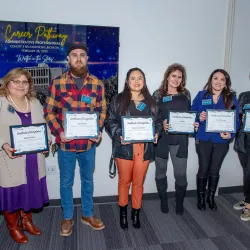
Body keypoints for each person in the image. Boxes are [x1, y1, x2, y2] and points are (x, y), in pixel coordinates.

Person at [44, 43, 106, 236]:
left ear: (87, 59)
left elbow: (102, 110)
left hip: (88, 144)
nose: (78, 58)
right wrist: (58, 131)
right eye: (74, 55)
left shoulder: (97, 84)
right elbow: (49, 111)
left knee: (88, 181)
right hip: (66, 144)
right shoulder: (57, 83)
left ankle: (87, 214)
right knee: (66, 182)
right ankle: (68, 217)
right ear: (68, 59)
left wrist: (99, 129)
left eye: (82, 55)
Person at [105, 68, 161, 229]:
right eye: (133, 78)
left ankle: (135, 212)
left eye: (140, 78)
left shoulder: (151, 101)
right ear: (127, 81)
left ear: (144, 81)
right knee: (124, 182)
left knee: (138, 183)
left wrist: (157, 133)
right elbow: (109, 121)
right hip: (124, 147)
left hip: (144, 148)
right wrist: (119, 134)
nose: (136, 81)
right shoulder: (118, 99)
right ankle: (123, 212)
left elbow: (158, 122)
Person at [0, 68, 51, 244]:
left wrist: (47, 141)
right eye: (16, 81)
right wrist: (3, 144)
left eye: (25, 82)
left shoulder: (35, 102)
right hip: (10, 159)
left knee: (29, 189)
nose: (21, 85)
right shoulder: (0, 103)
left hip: (33, 159)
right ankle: (13, 226)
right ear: (7, 83)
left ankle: (26, 220)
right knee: (13, 192)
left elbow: (44, 125)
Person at [153, 63, 199, 215]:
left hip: (180, 141)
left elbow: (189, 114)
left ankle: (179, 201)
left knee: (180, 174)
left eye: (180, 77)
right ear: (167, 76)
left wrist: (194, 123)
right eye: (174, 75)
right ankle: (163, 199)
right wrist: (161, 124)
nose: (176, 79)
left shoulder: (186, 94)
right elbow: (153, 117)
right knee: (161, 170)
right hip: (162, 140)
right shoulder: (157, 94)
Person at [191, 69, 239, 211]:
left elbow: (236, 120)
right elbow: (192, 112)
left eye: (222, 79)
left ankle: (210, 197)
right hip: (203, 138)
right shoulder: (201, 95)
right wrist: (199, 116)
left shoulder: (231, 98)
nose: (218, 82)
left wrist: (231, 134)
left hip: (221, 140)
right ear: (210, 80)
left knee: (215, 169)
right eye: (215, 78)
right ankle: (200, 197)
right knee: (203, 168)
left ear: (226, 83)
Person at [233, 91, 250, 221]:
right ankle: (247, 198)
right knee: (246, 171)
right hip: (243, 141)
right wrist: (240, 118)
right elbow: (235, 116)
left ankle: (249, 205)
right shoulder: (244, 96)